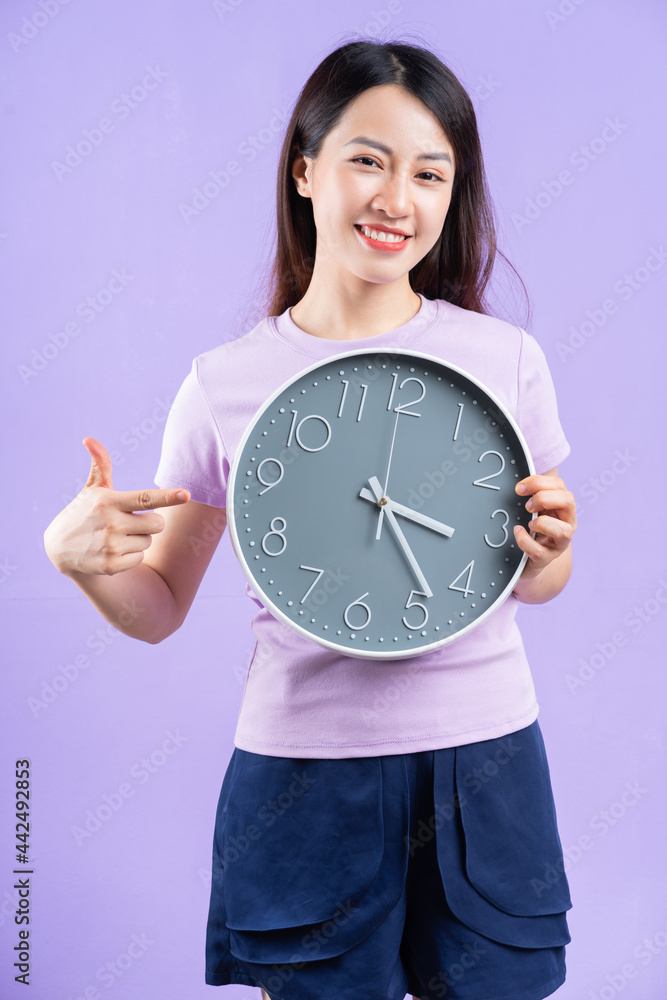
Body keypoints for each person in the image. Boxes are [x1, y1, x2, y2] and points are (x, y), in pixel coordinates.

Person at [44, 38, 577, 1000]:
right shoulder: (224, 382)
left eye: (429, 172)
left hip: (486, 763)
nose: (396, 199)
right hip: (304, 774)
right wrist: (77, 558)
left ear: (453, 195)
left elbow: (536, 580)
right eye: (366, 160)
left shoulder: (505, 361)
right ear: (304, 168)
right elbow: (161, 600)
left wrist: (547, 551)